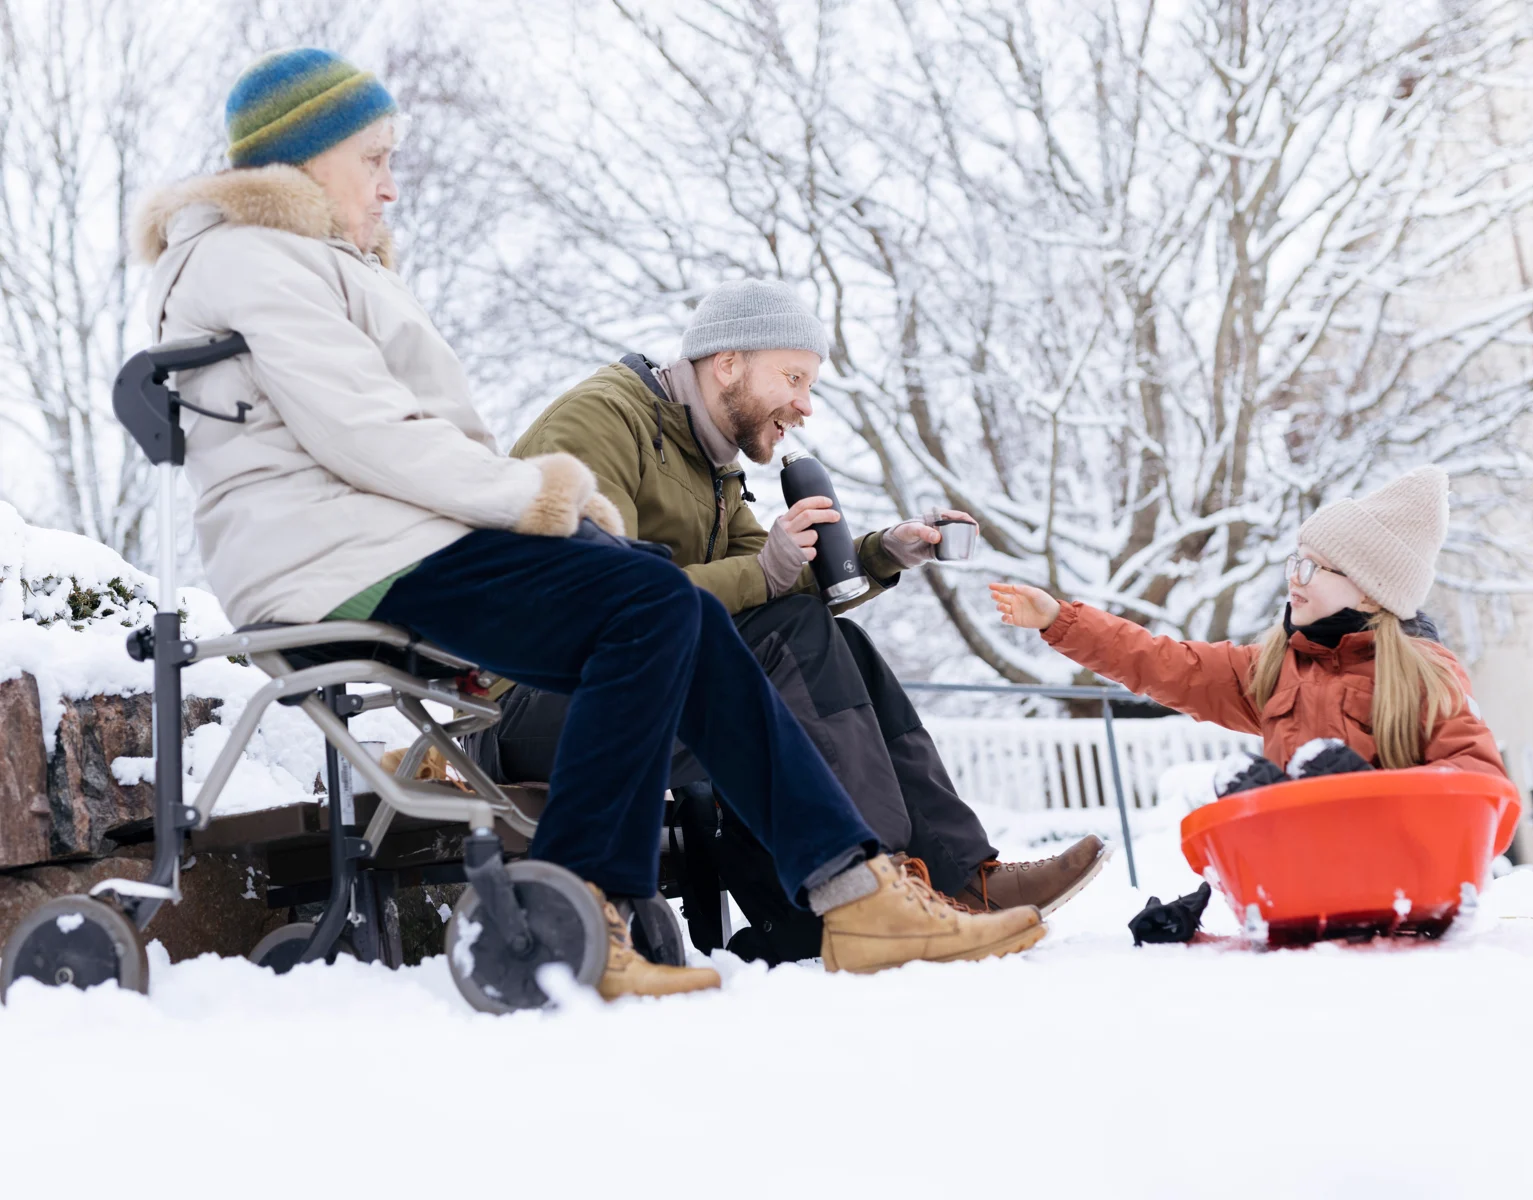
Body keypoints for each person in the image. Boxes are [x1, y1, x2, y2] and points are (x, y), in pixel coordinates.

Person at [136, 47, 1046, 999]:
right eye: (375, 160)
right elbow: (370, 433)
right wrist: (546, 504)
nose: (391, 187)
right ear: (303, 156)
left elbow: (383, 436)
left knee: (668, 607)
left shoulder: (305, 261)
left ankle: (851, 891)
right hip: (337, 557)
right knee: (650, 602)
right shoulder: (251, 258)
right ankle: (587, 895)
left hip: (380, 539)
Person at [480, 281, 1106, 962]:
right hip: (538, 704)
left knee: (832, 634)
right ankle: (877, 890)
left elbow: (775, 581)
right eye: (794, 377)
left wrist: (880, 552)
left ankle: (961, 877)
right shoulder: (599, 424)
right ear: (727, 363)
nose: (804, 406)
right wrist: (766, 572)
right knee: (795, 634)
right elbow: (595, 604)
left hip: (647, 684)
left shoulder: (705, 458)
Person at [991, 466, 1507, 787]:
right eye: (1293, 561)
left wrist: (1369, 792)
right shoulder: (1275, 667)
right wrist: (1062, 621)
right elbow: (1164, 663)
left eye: (1313, 567)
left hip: (1394, 882)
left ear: (1371, 589)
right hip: (1308, 882)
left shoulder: (1423, 673)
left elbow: (1479, 778)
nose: (1294, 578)